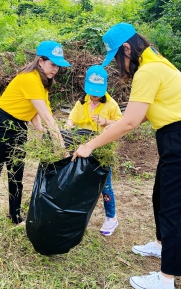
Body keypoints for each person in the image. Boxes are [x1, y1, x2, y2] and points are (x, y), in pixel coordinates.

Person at [71, 23, 181, 289]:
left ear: (127, 48)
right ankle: (161, 246)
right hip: (178, 141)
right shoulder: (155, 63)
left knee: (175, 210)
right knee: (160, 197)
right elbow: (144, 112)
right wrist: (112, 124)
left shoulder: (149, 70)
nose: (117, 65)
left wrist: (90, 145)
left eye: (116, 58)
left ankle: (166, 279)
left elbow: (130, 122)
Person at [0, 41, 70, 241]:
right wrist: (60, 145)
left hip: (19, 126)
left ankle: (15, 214)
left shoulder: (43, 82)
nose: (56, 69)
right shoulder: (29, 79)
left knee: (16, 172)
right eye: (52, 64)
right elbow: (47, 115)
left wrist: (38, 127)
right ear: (40, 61)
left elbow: (36, 109)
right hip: (0, 123)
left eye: (58, 65)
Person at [65, 65, 122, 236]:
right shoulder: (82, 102)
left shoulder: (111, 104)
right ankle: (76, 216)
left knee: (105, 185)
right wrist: (66, 128)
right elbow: (71, 119)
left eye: (98, 91)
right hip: (83, 149)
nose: (94, 95)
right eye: (92, 91)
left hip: (102, 150)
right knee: (79, 182)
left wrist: (106, 121)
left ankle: (111, 218)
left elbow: (123, 123)